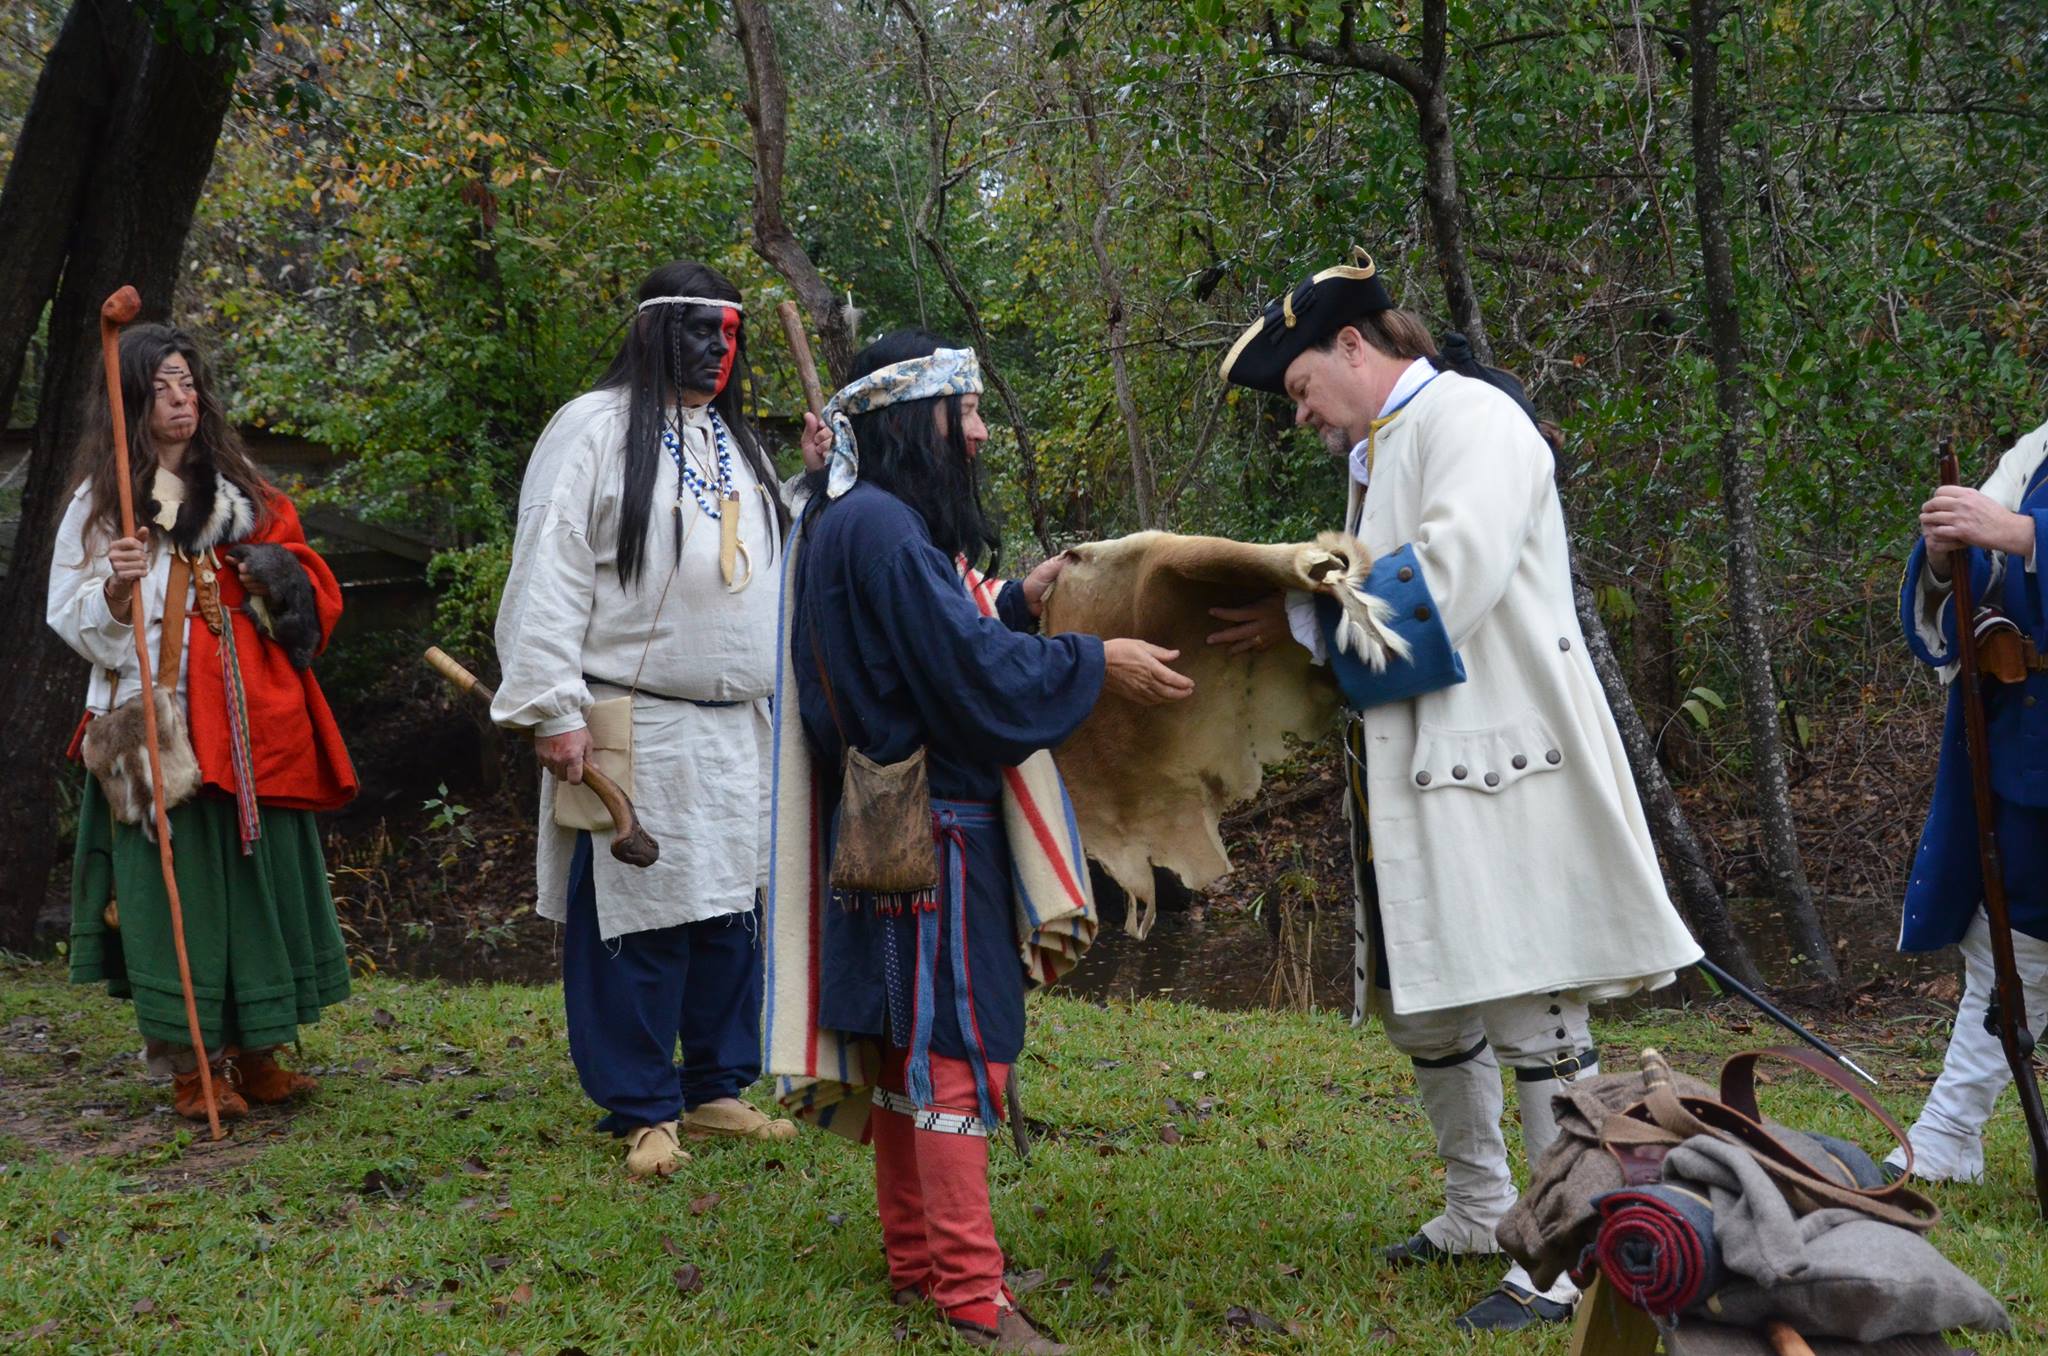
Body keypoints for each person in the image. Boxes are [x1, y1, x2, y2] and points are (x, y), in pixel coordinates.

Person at [1214, 251, 1702, 1331]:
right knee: (1428, 1004)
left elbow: (1445, 581)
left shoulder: (1472, 419)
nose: (1298, 417)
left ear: (1353, 344)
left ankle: (1564, 1250)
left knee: (1531, 1007)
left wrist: (1298, 617)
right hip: (1423, 771)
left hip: (1502, 765)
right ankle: (1479, 1207)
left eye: (1299, 389)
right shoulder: (1388, 446)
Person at [781, 330, 1192, 1352]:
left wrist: (1011, 599)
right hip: (938, 826)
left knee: (897, 1054)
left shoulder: (849, 520)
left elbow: (928, 638)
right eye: (959, 413)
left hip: (876, 822)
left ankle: (917, 1259)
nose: (973, 433)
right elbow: (971, 680)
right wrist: (1094, 660)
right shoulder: (879, 529)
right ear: (912, 422)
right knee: (954, 1056)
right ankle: (971, 1299)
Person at [493, 261, 815, 1177]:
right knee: (637, 917)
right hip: (631, 721)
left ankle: (715, 1089)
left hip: (736, 725)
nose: (719, 350)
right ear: (653, 332)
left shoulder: (735, 440)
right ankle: (642, 1106)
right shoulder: (591, 430)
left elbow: (754, 557)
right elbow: (550, 566)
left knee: (729, 910)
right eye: (701, 332)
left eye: (730, 335)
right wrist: (553, 709)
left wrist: (814, 481)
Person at [50, 322, 356, 1121]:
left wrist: (280, 572)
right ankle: (192, 1066)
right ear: (132, 404)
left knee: (256, 885)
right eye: (161, 387)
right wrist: (116, 592)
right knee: (168, 894)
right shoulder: (104, 501)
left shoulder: (243, 494)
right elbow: (68, 617)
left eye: (188, 383)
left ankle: (258, 1052)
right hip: (154, 723)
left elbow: (305, 589)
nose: (180, 398)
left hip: (248, 729)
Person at [1887, 416, 2048, 1183]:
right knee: (2011, 931)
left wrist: (2022, 534)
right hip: (2029, 731)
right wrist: (1953, 552)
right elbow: (1975, 580)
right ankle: (1951, 1130)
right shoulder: (2041, 446)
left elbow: (2017, 534)